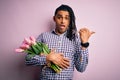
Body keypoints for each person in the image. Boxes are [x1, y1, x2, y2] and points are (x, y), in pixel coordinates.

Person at [25, 4, 95, 80]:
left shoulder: (76, 39)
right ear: (54, 19)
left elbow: (81, 68)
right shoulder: (43, 36)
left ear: (70, 20)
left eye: (66, 18)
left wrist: (84, 45)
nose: (62, 21)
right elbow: (28, 59)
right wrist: (47, 58)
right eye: (59, 17)